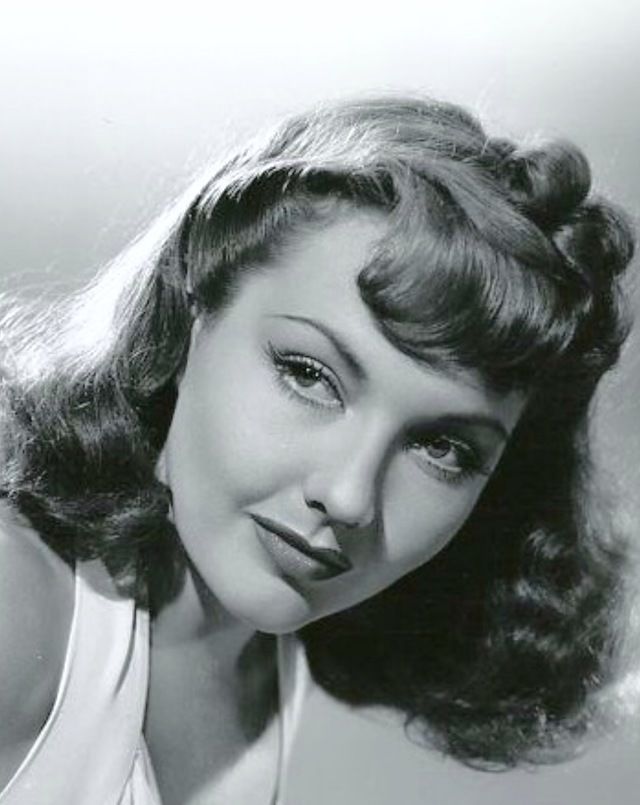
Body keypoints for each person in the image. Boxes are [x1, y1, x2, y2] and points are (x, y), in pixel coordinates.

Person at [0, 96, 635, 805]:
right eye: (309, 375)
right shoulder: (18, 600)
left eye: (442, 447)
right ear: (190, 312)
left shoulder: (268, 654)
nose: (350, 496)